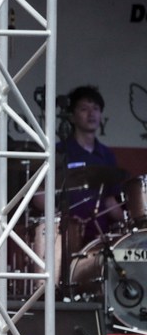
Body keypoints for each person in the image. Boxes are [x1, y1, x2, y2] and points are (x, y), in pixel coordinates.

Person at [57, 85, 125, 244]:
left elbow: (109, 200)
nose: (91, 113)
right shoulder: (59, 152)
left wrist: (133, 223)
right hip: (65, 237)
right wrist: (62, 218)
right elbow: (40, 196)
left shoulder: (107, 155)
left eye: (95, 108)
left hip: (100, 238)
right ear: (72, 117)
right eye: (84, 109)